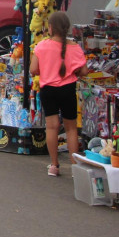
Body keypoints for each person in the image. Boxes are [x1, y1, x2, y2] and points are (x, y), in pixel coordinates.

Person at [30, 11, 88, 177]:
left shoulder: (41, 46)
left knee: (52, 126)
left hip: (48, 90)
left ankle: (54, 165)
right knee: (71, 129)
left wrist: (47, 69)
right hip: (68, 89)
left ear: (50, 28)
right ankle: (74, 166)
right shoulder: (75, 47)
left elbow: (33, 69)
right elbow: (84, 70)